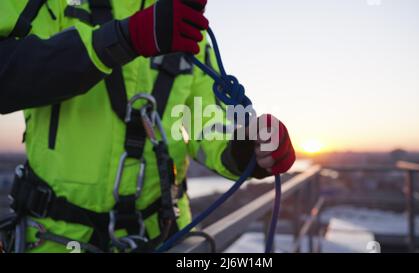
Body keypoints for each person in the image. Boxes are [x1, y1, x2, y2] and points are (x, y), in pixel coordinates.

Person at [0, 0, 295, 252]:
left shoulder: (186, 29)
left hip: (166, 235)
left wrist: (243, 149)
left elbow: (205, 123)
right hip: (55, 239)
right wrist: (120, 40)